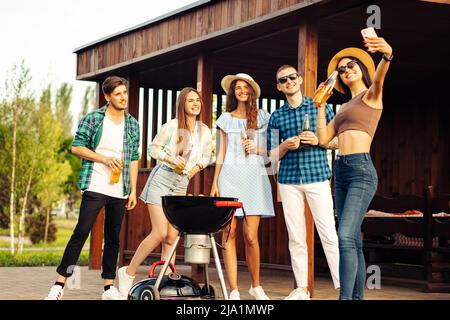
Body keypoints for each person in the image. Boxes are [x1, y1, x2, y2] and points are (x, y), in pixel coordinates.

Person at [45, 76, 140, 300]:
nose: (123, 97)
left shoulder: (132, 123)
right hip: (96, 184)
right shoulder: (95, 119)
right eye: (117, 94)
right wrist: (103, 159)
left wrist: (134, 190)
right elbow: (77, 147)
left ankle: (108, 287)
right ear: (107, 97)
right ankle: (59, 285)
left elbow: (134, 157)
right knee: (81, 232)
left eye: (124, 93)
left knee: (113, 238)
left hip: (121, 188)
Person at [315, 36, 393, 299]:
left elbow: (380, 77)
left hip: (360, 169)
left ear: (361, 68)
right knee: (354, 241)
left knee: (345, 235)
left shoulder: (370, 96)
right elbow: (324, 139)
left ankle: (345, 298)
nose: (346, 70)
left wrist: (387, 55)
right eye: (341, 69)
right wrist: (320, 104)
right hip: (341, 171)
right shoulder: (343, 107)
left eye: (351, 66)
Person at [117, 87, 212, 298]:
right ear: (182, 105)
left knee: (172, 236)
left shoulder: (204, 131)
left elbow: (206, 157)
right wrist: (171, 158)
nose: (195, 104)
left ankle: (165, 277)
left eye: (197, 100)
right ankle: (128, 272)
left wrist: (190, 172)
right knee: (160, 232)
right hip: (162, 178)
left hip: (181, 183)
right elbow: (153, 149)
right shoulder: (172, 126)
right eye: (190, 101)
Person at [267, 65, 340, 300]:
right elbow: (271, 156)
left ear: (299, 80)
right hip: (288, 181)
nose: (288, 81)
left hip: (317, 176)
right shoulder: (277, 116)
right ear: (279, 87)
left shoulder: (320, 106)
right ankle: (301, 289)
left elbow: (337, 140)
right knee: (296, 237)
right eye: (283, 80)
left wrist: (319, 140)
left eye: (292, 77)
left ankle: (342, 286)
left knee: (328, 232)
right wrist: (285, 146)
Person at [210, 73, 275, 300]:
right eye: (237, 87)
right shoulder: (224, 119)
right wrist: (215, 183)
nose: (242, 90)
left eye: (246, 87)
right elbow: (220, 152)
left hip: (254, 178)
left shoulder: (264, 117)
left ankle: (256, 286)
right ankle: (234, 289)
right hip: (229, 177)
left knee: (250, 236)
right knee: (229, 232)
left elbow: (273, 150)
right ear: (233, 92)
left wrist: (256, 147)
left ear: (252, 91)